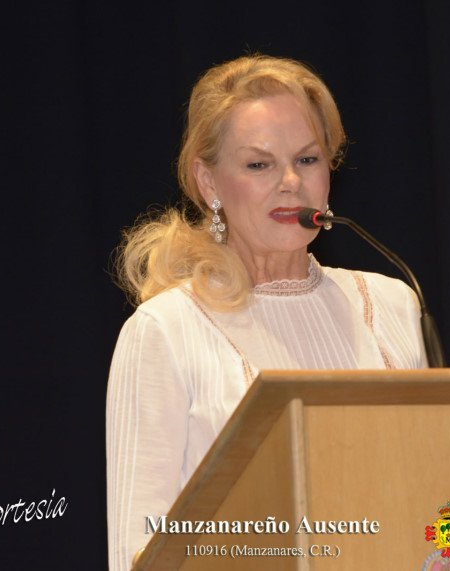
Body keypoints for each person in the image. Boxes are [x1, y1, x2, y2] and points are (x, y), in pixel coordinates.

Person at [105, 54, 426, 570]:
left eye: (308, 159)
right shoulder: (165, 330)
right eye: (259, 164)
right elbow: (135, 554)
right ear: (209, 183)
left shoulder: (392, 305)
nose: (290, 182)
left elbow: (432, 497)